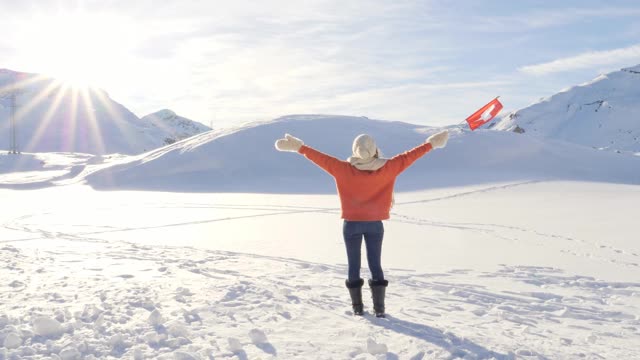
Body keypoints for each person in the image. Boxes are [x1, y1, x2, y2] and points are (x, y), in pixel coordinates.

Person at [274, 129, 449, 317]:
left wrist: (299, 147)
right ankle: (379, 309)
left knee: (353, 265)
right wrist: (431, 143)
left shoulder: (342, 169)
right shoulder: (389, 167)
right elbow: (411, 156)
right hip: (375, 224)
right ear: (374, 150)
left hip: (351, 225)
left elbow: (319, 158)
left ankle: (357, 308)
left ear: (355, 150)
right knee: (375, 265)